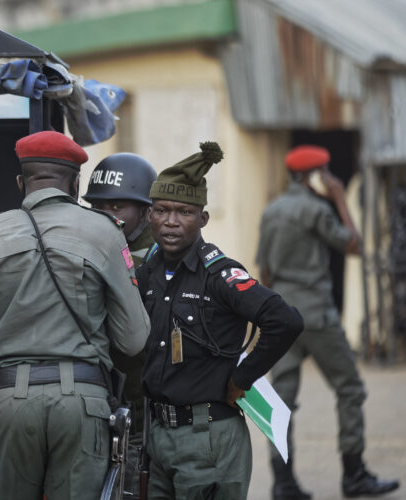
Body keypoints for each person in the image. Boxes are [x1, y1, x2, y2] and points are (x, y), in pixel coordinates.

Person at [0, 130, 150, 500]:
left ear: (20, 182)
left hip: (7, 403)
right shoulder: (106, 233)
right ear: (76, 183)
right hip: (83, 403)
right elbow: (133, 339)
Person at [137, 141, 304, 499]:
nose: (170, 221)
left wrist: (242, 378)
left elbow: (284, 320)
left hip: (208, 437)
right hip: (159, 437)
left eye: (183, 212)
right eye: (161, 210)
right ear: (149, 215)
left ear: (203, 219)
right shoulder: (147, 272)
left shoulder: (219, 274)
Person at [256, 145, 400, 499]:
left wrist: (269, 316)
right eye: (326, 173)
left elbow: (266, 272)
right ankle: (354, 475)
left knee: (281, 400)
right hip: (317, 315)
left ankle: (283, 482)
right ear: (314, 176)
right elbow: (353, 245)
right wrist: (338, 197)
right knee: (349, 388)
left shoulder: (272, 210)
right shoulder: (316, 209)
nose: (332, 179)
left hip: (283, 316)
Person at [82, 152, 158, 493]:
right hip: (102, 400)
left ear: (144, 213)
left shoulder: (158, 255)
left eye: (117, 209)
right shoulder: (85, 246)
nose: (105, 217)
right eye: (97, 208)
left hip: (144, 404)